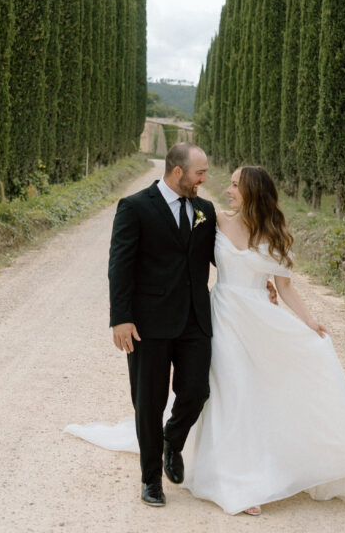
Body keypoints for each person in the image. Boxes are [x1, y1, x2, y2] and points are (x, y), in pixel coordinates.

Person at [66, 159, 345, 515]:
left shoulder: (275, 231)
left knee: (250, 394)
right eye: (224, 182)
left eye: (234, 184)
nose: (225, 189)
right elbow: (185, 254)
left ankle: (245, 469)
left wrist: (309, 320)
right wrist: (124, 312)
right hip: (221, 316)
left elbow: (285, 285)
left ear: (252, 192)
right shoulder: (214, 218)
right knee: (229, 392)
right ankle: (231, 479)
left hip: (259, 320)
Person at [105, 142, 216, 507]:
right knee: (149, 402)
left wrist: (262, 277)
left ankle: (173, 440)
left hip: (194, 320)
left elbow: (221, 255)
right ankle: (151, 478)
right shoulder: (135, 207)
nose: (204, 179)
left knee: (196, 391)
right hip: (147, 324)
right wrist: (120, 318)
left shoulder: (205, 210)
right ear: (178, 171)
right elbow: (120, 266)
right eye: (200, 172)